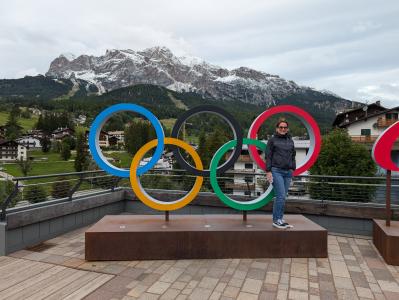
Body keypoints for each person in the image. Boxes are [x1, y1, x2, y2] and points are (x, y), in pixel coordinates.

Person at [265, 119, 296, 229]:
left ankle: (280, 219)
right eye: (281, 127)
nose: (283, 129)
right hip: (276, 171)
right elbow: (268, 156)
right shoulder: (272, 140)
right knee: (281, 196)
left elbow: (293, 156)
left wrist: (293, 168)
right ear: (277, 129)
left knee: (283, 197)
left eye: (285, 127)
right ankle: (276, 220)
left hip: (288, 172)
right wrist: (268, 171)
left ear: (287, 129)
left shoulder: (290, 141)